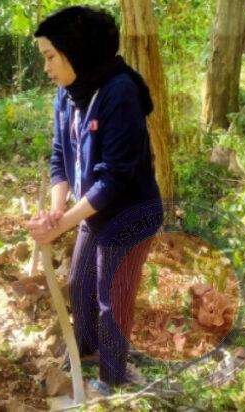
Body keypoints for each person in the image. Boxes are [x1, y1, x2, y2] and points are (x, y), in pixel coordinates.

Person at [27, 6, 164, 395]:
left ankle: (112, 378)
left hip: (130, 215)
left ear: (76, 51)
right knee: (80, 283)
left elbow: (113, 180)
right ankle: (85, 353)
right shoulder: (67, 94)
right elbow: (60, 156)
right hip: (94, 212)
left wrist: (61, 224)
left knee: (111, 298)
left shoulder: (120, 93)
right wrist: (58, 210)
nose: (46, 68)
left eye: (50, 57)